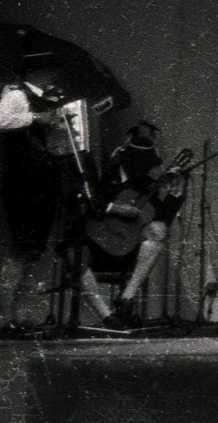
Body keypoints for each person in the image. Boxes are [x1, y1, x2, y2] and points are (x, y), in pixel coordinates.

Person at [79, 121, 189, 329]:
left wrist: (176, 196)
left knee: (158, 231)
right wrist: (117, 209)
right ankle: (107, 316)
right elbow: (89, 202)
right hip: (96, 246)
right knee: (74, 258)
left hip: (128, 249)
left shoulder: (145, 183)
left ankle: (126, 299)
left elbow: (162, 218)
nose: (143, 169)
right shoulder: (104, 177)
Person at [0, 72, 64, 336]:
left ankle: (13, 316)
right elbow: (1, 120)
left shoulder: (47, 99)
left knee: (31, 250)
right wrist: (36, 118)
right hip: (22, 183)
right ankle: (5, 318)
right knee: (21, 249)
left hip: (41, 183)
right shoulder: (16, 94)